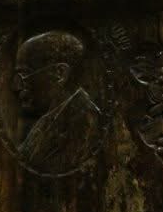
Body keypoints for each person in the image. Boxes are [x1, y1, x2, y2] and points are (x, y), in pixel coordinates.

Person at [12, 30, 100, 175]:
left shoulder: (86, 122)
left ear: (60, 74)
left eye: (24, 74)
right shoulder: (47, 120)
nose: (16, 87)